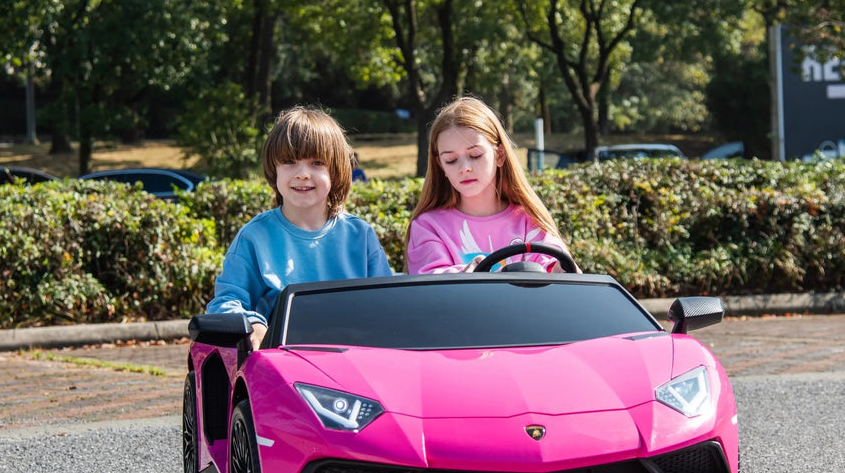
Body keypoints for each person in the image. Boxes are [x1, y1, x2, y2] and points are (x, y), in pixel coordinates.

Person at [206, 106, 392, 349]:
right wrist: (253, 324)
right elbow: (226, 302)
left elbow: (387, 305)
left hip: (354, 358)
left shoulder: (361, 236)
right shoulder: (254, 237)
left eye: (317, 163)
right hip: (281, 362)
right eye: (289, 162)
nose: (303, 174)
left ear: (336, 171)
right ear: (273, 169)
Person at [405, 96, 574, 274]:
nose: (464, 168)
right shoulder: (428, 227)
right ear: (441, 166)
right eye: (451, 160)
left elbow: (554, 270)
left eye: (475, 155)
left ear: (500, 155)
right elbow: (432, 281)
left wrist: (559, 270)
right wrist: (465, 275)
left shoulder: (529, 221)